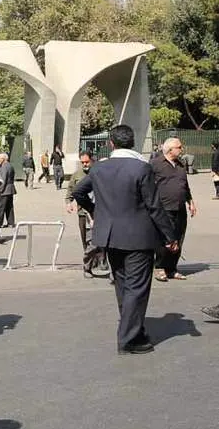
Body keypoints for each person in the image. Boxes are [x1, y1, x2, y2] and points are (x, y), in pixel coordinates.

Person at [72, 125, 177, 355]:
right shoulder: (141, 168)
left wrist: (96, 211)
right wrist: (170, 236)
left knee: (122, 285)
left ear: (111, 143)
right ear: (133, 142)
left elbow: (78, 192)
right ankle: (128, 339)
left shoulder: (99, 169)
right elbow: (154, 205)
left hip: (109, 236)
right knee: (138, 287)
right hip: (138, 236)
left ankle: (134, 329)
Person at [150, 137, 196, 282]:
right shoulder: (155, 164)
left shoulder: (181, 164)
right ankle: (160, 267)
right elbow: (147, 185)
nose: (181, 149)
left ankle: (172, 269)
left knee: (178, 238)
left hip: (180, 207)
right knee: (165, 239)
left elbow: (184, 185)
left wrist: (191, 201)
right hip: (164, 208)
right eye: (179, 147)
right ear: (170, 150)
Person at [65, 151, 107, 278]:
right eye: (82, 162)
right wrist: (68, 202)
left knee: (101, 240)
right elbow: (71, 189)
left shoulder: (99, 173)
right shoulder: (77, 175)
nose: (85, 164)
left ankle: (102, 262)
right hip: (84, 213)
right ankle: (89, 263)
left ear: (92, 160)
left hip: (101, 213)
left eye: (87, 162)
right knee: (87, 240)